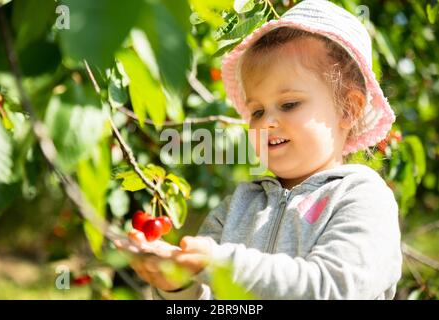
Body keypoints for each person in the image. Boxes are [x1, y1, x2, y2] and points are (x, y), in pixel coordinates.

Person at [116, 0, 403, 300]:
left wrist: (223, 265)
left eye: (289, 104)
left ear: (349, 110)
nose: (267, 122)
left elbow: (334, 289)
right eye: (256, 111)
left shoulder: (362, 198)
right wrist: (178, 285)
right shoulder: (237, 207)